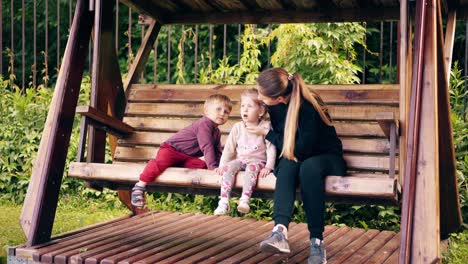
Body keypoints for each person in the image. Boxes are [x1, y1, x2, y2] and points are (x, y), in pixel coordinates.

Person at [247, 68, 346, 264]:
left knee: (307, 167)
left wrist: (267, 134)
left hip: (328, 159)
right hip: (299, 157)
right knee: (288, 164)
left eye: (261, 94)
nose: (259, 97)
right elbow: (291, 150)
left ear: (279, 98)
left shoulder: (309, 106)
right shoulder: (276, 106)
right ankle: (280, 232)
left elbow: (301, 149)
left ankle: (317, 243)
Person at [131, 94, 233, 208]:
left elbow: (217, 151)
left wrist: (223, 166)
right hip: (171, 150)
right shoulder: (205, 124)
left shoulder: (216, 132)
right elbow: (207, 146)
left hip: (185, 157)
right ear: (207, 111)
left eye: (226, 112)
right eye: (218, 109)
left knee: (200, 164)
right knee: (160, 163)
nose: (222, 113)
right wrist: (213, 168)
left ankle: (173, 166)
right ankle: (139, 186)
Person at [213, 89, 276, 215]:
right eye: (243, 106)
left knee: (251, 169)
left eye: (249, 106)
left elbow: (271, 148)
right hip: (241, 161)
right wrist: (222, 166)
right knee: (228, 168)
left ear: (261, 111)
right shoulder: (238, 127)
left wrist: (269, 166)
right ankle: (224, 202)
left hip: (258, 162)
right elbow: (229, 149)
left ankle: (245, 199)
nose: (245, 110)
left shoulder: (265, 127)